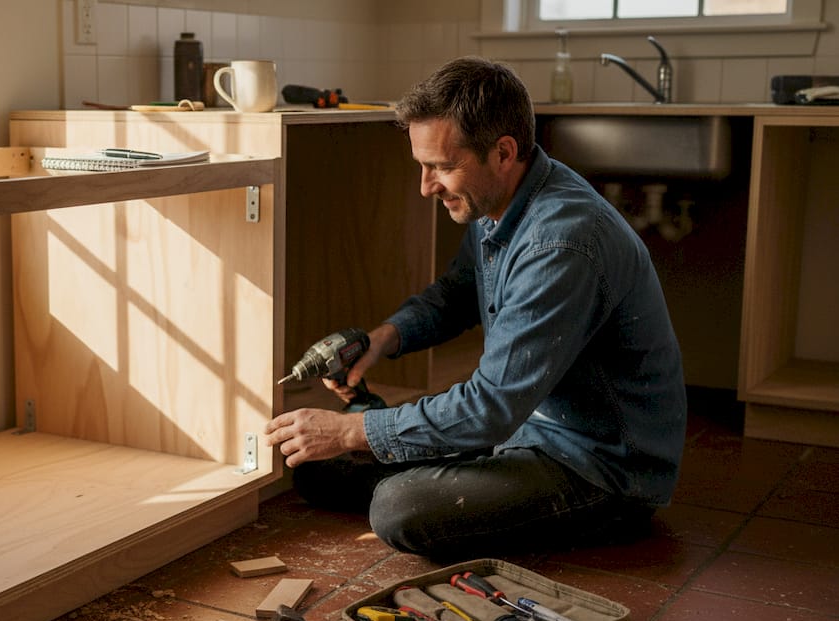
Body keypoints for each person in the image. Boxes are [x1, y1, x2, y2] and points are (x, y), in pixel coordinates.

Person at [263, 57, 687, 560]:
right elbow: (458, 293)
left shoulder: (561, 242)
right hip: (525, 428)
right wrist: (383, 339)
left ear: (503, 152)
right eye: (422, 165)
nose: (426, 186)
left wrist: (352, 430)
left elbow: (490, 408)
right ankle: (443, 472)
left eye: (441, 167)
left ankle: (445, 479)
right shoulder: (502, 201)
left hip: (600, 466)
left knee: (398, 507)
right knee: (316, 470)